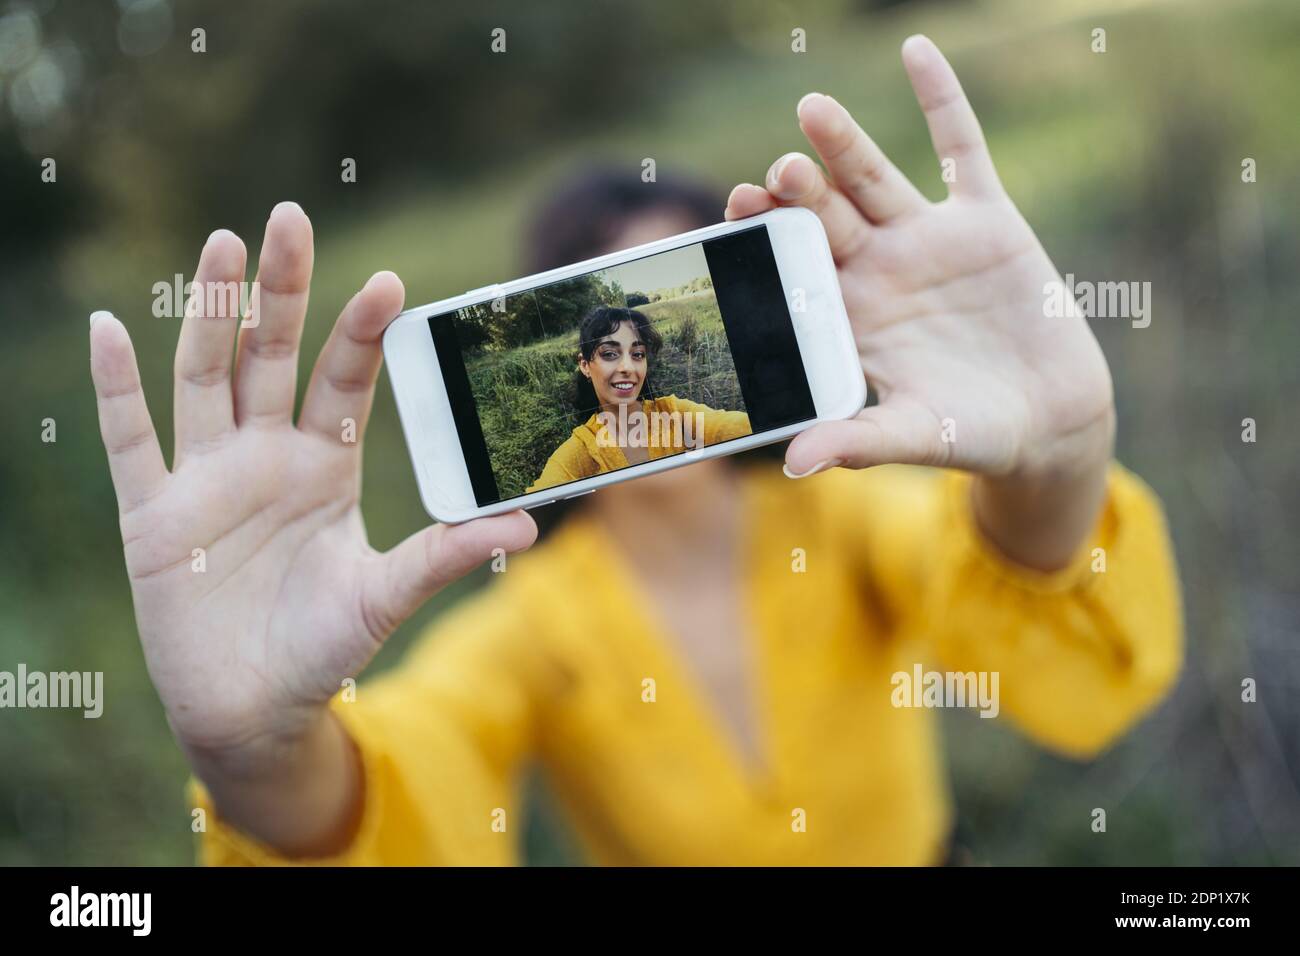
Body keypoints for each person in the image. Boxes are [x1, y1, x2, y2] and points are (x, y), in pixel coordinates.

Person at [88, 36, 1181, 865]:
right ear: (579, 362)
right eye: (600, 340)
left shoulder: (838, 510)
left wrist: (1058, 462)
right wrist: (260, 756)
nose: (623, 365)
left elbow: (1038, 636)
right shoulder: (535, 621)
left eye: (649, 334)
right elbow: (421, 760)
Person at [526, 305, 751, 493]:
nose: (627, 367)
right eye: (610, 354)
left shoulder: (676, 414)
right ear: (585, 365)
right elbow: (536, 506)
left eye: (637, 355)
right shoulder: (581, 451)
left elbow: (736, 426)